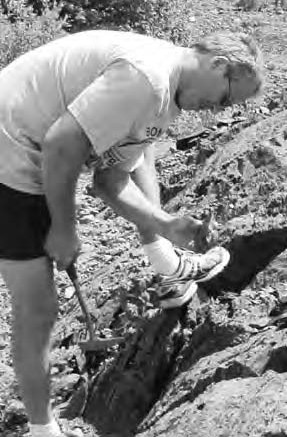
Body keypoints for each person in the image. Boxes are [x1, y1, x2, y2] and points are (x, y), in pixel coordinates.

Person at [0, 29, 263, 437]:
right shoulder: (148, 79)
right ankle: (42, 430)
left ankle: (165, 260)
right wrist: (64, 229)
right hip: (11, 150)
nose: (217, 110)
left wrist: (166, 225)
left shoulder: (163, 93)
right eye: (226, 97)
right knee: (37, 307)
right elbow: (61, 147)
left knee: (145, 151)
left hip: (31, 147)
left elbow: (110, 180)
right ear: (218, 65)